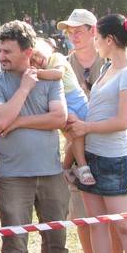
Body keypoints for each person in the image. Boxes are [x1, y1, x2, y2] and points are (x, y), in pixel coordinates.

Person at [0, 20, 69, 253]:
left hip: (52, 173)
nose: (1, 56)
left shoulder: (50, 79)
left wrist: (18, 121)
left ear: (27, 52)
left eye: (8, 51)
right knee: (15, 245)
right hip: (13, 177)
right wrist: (24, 88)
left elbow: (59, 118)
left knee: (56, 241)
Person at [65, 14, 127, 253]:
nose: (96, 44)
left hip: (113, 158)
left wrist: (86, 128)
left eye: (98, 38)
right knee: (96, 224)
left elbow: (123, 121)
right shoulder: (106, 69)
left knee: (123, 225)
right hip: (90, 156)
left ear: (110, 40)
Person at [57, 9, 127, 253]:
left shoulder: (111, 61)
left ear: (93, 31)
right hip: (75, 148)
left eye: (78, 31)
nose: (73, 36)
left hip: (110, 147)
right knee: (82, 211)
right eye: (69, 32)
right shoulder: (61, 64)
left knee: (117, 212)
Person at [29, 38, 93, 185]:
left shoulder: (55, 58)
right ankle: (83, 167)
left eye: (37, 55)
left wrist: (38, 73)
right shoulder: (40, 72)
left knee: (82, 136)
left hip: (78, 99)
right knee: (76, 131)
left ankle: (65, 166)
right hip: (64, 104)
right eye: (32, 61)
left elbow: (59, 74)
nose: (37, 60)